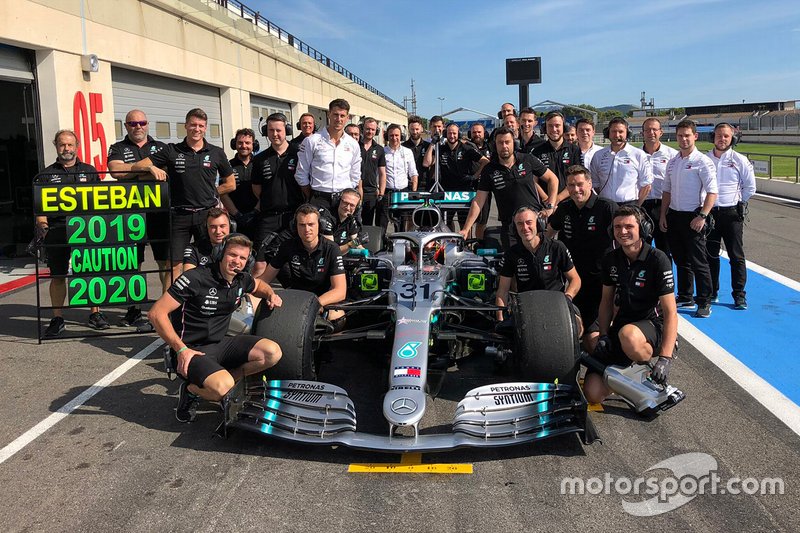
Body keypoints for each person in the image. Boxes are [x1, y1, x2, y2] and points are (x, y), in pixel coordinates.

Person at [148, 233, 283, 422]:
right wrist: (181, 350)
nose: (236, 261)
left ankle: (225, 381)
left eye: (242, 258)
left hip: (221, 344)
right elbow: (156, 313)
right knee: (223, 388)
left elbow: (259, 284)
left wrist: (270, 294)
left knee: (272, 352)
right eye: (232, 255)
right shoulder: (195, 278)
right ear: (220, 254)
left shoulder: (241, 279)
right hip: (192, 351)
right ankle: (190, 390)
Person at [583, 206, 678, 404]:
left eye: (629, 226)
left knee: (629, 336)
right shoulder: (611, 259)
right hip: (622, 326)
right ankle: (627, 379)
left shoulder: (658, 259)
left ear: (642, 228)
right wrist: (603, 336)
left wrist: (665, 359)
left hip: (650, 324)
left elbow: (670, 313)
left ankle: (647, 365)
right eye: (618, 227)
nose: (622, 231)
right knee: (592, 394)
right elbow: (606, 302)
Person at [132, 108, 236, 284]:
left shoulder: (216, 152)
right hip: (179, 216)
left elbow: (230, 184)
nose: (197, 129)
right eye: (193, 125)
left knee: (212, 260)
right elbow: (136, 166)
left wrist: (210, 192)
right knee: (173, 264)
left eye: (201, 126)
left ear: (205, 128)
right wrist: (151, 167)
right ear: (186, 126)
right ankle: (170, 310)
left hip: (207, 215)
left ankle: (210, 304)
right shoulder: (171, 150)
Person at [37, 130, 106, 337]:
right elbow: (40, 208)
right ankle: (57, 318)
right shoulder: (45, 174)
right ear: (56, 146)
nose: (66, 149)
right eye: (62, 145)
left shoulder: (90, 171)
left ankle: (95, 314)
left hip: (86, 230)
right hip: (57, 231)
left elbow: (101, 202)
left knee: (90, 273)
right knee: (58, 276)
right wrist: (42, 225)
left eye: (69, 145)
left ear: (77, 146)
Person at [106, 109, 170, 325]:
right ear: (126, 126)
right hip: (130, 213)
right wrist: (149, 167)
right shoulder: (118, 148)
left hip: (159, 213)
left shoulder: (162, 147)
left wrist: (135, 168)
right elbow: (116, 171)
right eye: (133, 124)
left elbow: (167, 171)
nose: (138, 127)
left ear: (147, 124)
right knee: (133, 264)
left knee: (165, 263)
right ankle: (133, 309)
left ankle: (164, 309)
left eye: (141, 122)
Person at [459, 127, 559, 250]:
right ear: (495, 145)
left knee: (540, 263)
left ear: (514, 143)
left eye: (507, 142)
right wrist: (466, 228)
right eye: (500, 143)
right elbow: (478, 201)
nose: (504, 146)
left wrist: (550, 206)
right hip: (509, 228)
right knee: (514, 265)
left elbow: (552, 179)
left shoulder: (527, 159)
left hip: (534, 224)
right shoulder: (489, 170)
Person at [548, 165, 618, 336]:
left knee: (594, 338)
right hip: (575, 281)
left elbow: (626, 239)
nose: (576, 189)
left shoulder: (607, 208)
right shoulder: (565, 208)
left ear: (589, 183)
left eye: (580, 184)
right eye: (571, 185)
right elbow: (548, 235)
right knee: (573, 331)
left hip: (603, 283)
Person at [660, 119, 718, 318]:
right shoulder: (674, 161)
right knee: (680, 260)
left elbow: (712, 192)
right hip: (674, 215)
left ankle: (704, 301)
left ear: (695, 136)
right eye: (680, 136)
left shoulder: (703, 161)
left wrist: (703, 216)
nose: (683, 139)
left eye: (687, 135)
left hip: (693, 216)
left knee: (699, 261)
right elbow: (666, 190)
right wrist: (663, 215)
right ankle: (685, 295)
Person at [496, 206, 582, 335]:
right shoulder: (512, 254)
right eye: (520, 224)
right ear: (515, 228)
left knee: (577, 327)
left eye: (529, 222)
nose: (525, 228)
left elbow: (575, 279)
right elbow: (502, 291)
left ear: (539, 223)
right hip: (528, 310)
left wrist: (567, 299)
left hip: (557, 306)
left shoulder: (556, 247)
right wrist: (500, 321)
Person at [259, 204, 347, 323]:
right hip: (297, 298)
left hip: (323, 300)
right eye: (302, 225)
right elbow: (264, 279)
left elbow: (340, 291)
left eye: (311, 224)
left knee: (337, 317)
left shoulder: (332, 249)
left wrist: (315, 304)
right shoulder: (287, 246)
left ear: (319, 226)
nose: (307, 229)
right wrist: (266, 293)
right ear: (295, 227)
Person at [706, 122, 756, 309]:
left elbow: (750, 187)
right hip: (710, 213)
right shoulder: (704, 159)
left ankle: (739, 295)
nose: (722, 139)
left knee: (736, 256)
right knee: (710, 255)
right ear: (713, 137)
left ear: (732, 138)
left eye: (726, 136)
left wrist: (737, 202)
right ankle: (712, 292)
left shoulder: (740, 160)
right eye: (719, 135)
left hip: (732, 214)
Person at [250, 112, 304, 277]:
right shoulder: (260, 159)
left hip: (294, 217)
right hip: (268, 217)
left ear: (286, 130)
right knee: (259, 263)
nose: (275, 134)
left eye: (278, 130)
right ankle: (253, 300)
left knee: (296, 262)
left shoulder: (299, 153)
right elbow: (256, 188)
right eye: (271, 130)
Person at [295, 98, 361, 213]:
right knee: (321, 231)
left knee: (343, 231)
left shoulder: (353, 144)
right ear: (328, 114)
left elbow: (355, 174)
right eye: (335, 114)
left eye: (342, 115)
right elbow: (301, 173)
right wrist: (312, 195)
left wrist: (348, 193)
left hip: (344, 199)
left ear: (347, 117)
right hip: (318, 198)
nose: (338, 119)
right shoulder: (312, 141)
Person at [423, 122, 489, 229]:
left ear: (458, 134)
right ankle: (451, 243)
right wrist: (432, 144)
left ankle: (466, 245)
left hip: (464, 191)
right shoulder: (440, 148)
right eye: (449, 133)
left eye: (454, 133)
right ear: (445, 134)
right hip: (447, 191)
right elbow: (426, 163)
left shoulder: (466, 148)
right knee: (446, 222)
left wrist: (476, 175)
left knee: (465, 223)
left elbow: (485, 162)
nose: (452, 136)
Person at [641, 117, 679, 267]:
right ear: (642, 133)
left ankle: (666, 287)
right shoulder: (635, 154)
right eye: (647, 130)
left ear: (661, 132)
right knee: (641, 249)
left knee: (665, 250)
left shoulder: (672, 155)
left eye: (654, 129)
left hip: (664, 207)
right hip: (642, 207)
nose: (651, 132)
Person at [589, 117, 652, 207]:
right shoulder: (598, 155)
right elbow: (595, 183)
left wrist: (637, 206)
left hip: (630, 205)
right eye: (613, 131)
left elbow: (646, 185)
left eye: (621, 132)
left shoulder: (638, 154)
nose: (617, 135)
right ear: (608, 133)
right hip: (605, 205)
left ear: (627, 134)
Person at [531, 111, 583, 202]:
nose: (554, 129)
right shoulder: (537, 152)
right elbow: (533, 181)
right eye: (550, 126)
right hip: (545, 205)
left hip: (570, 203)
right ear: (545, 128)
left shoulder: (575, 150)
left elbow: (577, 179)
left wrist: (557, 199)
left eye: (557, 125)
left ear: (564, 127)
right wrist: (547, 199)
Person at [221, 128, 259, 241]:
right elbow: (223, 193)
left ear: (254, 145)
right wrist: (237, 215)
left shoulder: (260, 163)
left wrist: (255, 212)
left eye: (247, 143)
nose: (243, 146)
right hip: (236, 219)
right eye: (240, 143)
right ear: (234, 144)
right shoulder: (227, 165)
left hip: (258, 216)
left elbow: (267, 191)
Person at [379, 124, 418, 231]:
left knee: (401, 225)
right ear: (387, 136)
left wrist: (413, 193)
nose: (394, 138)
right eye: (391, 135)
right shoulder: (382, 151)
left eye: (397, 135)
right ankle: (382, 246)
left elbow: (413, 173)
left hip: (403, 193)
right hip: (387, 192)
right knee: (382, 223)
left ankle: (400, 246)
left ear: (401, 136)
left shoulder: (407, 152)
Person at [358, 118, 387, 226]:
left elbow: (382, 173)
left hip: (371, 193)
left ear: (376, 131)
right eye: (367, 129)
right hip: (355, 190)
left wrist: (381, 193)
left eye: (372, 129)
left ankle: (365, 243)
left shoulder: (379, 149)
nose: (370, 132)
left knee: (368, 224)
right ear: (362, 129)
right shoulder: (355, 146)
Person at [467, 122, 493, 240]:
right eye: (474, 132)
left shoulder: (491, 147)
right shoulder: (467, 147)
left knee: (482, 220)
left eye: (479, 132)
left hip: (486, 188)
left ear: (484, 133)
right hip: (470, 188)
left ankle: (479, 244)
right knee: (468, 220)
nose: (476, 134)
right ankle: (466, 245)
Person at [320, 188, 364, 254]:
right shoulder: (326, 218)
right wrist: (352, 244)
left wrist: (367, 254)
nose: (348, 208)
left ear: (356, 208)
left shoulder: (351, 219)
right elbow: (332, 251)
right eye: (345, 203)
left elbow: (357, 244)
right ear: (338, 201)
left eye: (352, 205)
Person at [402, 116, 430, 190]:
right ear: (409, 130)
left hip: (424, 185)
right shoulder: (403, 147)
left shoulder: (428, 146)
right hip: (408, 185)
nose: (415, 132)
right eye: (412, 129)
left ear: (422, 129)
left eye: (417, 129)